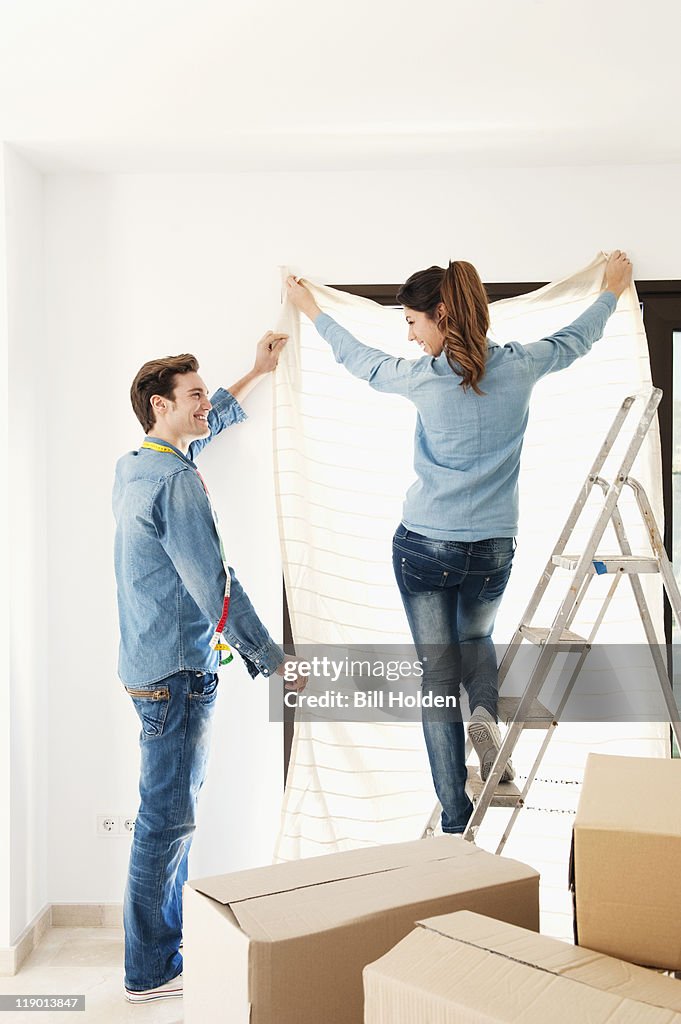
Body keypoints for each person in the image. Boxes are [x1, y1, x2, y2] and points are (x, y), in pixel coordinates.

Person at [285, 251, 632, 835]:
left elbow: (361, 362)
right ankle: (483, 712)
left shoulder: (421, 378)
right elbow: (578, 339)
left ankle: (453, 816)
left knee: (435, 678)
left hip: (424, 547)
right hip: (493, 546)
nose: (411, 335)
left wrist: (312, 309)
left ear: (441, 313)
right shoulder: (521, 366)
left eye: (413, 322)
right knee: (478, 639)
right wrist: (613, 290)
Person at [113, 331, 306, 1003]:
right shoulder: (174, 483)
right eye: (195, 396)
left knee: (169, 815)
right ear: (162, 405)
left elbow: (204, 429)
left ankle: (162, 946)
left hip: (148, 664)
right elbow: (215, 586)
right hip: (176, 674)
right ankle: (150, 970)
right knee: (167, 821)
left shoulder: (138, 463)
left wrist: (252, 375)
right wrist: (272, 658)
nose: (205, 406)